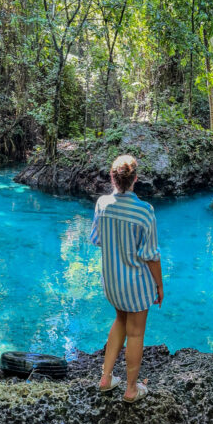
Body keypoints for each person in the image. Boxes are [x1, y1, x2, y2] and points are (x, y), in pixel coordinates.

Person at [90, 154, 164, 403]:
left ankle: (106, 378)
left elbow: (97, 239)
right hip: (135, 285)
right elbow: (151, 255)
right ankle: (131, 389)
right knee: (135, 334)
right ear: (135, 179)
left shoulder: (102, 204)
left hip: (112, 284)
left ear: (112, 177)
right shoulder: (144, 211)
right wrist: (159, 285)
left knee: (120, 320)